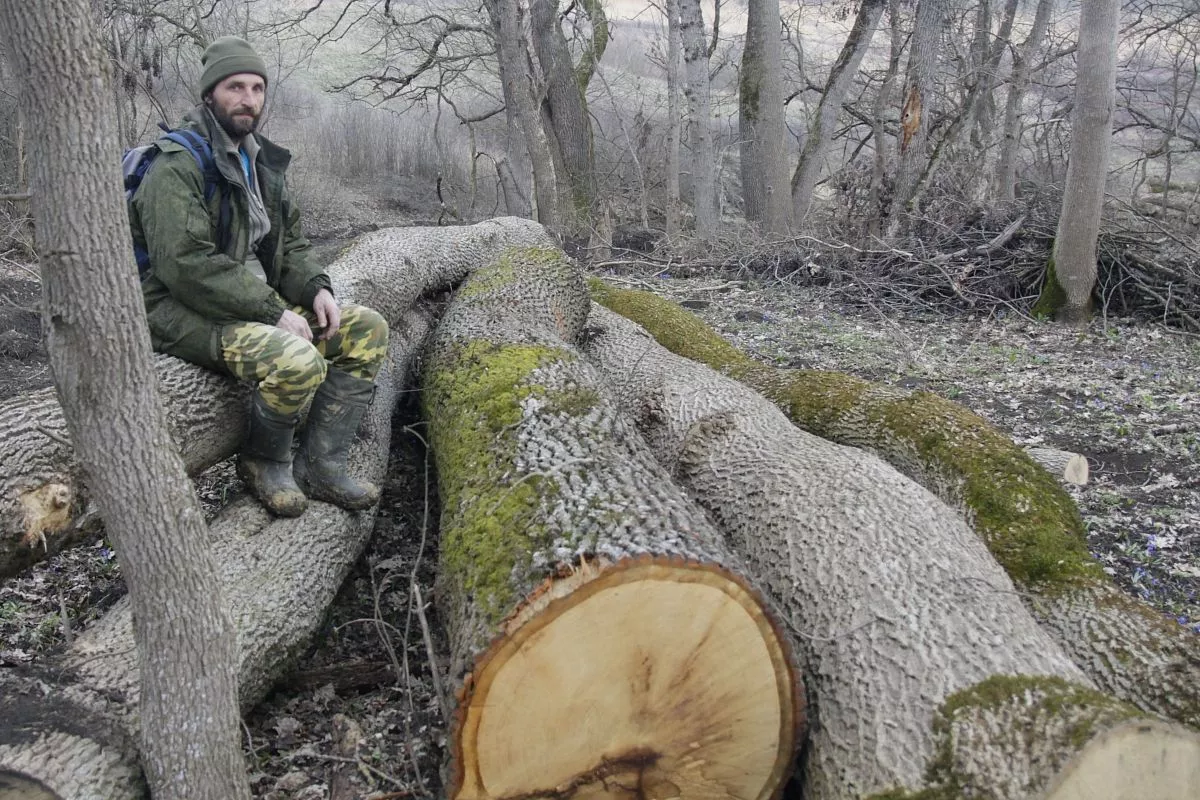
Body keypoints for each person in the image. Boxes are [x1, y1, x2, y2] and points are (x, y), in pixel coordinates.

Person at [129, 36, 388, 517]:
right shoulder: (176, 165)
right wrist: (272, 311)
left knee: (366, 330)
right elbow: (186, 265)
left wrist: (316, 288)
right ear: (210, 95)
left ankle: (322, 466)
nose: (248, 99)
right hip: (179, 311)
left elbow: (288, 244)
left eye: (257, 88)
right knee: (298, 360)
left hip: (245, 301)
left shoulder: (259, 161)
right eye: (235, 87)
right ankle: (263, 461)